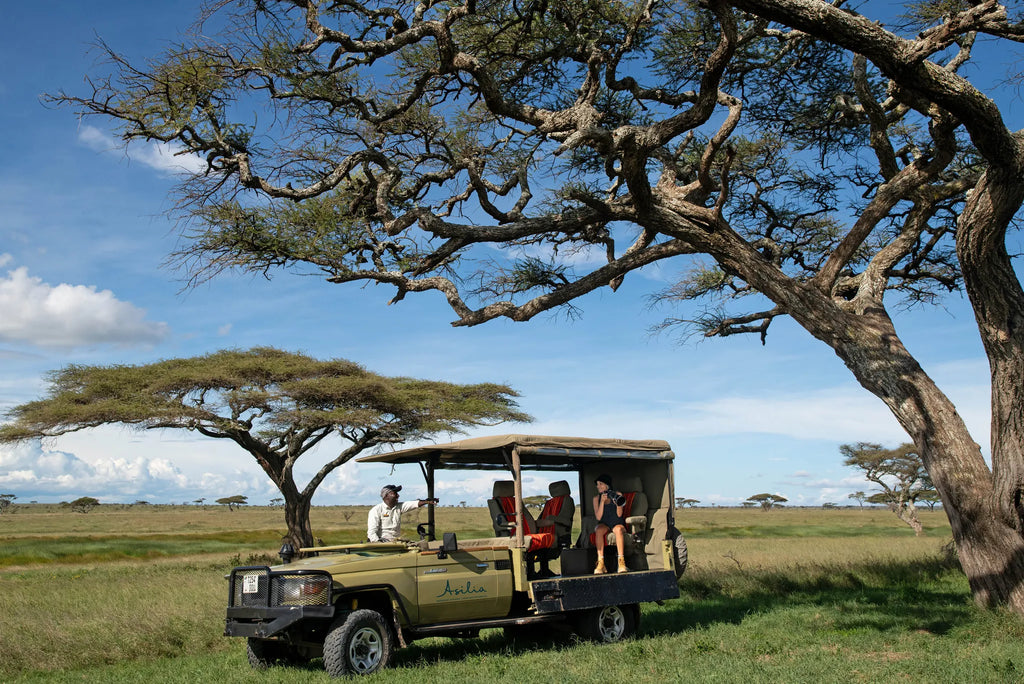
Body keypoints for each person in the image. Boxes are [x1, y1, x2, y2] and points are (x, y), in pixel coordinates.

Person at [367, 484, 438, 542]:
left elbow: (411, 504)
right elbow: (371, 533)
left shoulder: (399, 507)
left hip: (395, 543)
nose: (398, 495)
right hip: (382, 544)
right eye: (394, 493)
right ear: (386, 496)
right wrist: (379, 543)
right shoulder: (376, 510)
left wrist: (426, 502)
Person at [592, 474, 627, 574]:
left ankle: (621, 562)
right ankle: (601, 562)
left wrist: (618, 504)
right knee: (598, 529)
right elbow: (598, 517)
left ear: (607, 485)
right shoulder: (596, 499)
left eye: (600, 484)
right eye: (597, 484)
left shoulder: (617, 494)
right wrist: (602, 502)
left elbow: (619, 515)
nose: (598, 486)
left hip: (617, 523)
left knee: (618, 530)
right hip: (605, 524)